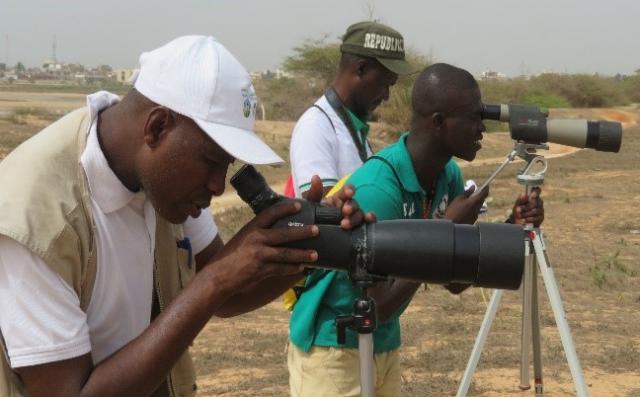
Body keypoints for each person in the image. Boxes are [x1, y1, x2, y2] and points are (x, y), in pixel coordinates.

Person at [0, 36, 371, 397]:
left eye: (226, 166)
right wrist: (212, 282)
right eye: (211, 162)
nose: (216, 185)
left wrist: (310, 246)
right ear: (157, 127)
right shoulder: (35, 218)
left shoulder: (162, 182)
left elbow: (228, 297)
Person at [287, 63, 545, 397]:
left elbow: (453, 281)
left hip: (382, 342)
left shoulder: (447, 176)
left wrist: (513, 226)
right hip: (332, 347)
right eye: (473, 117)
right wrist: (444, 229)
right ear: (439, 123)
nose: (481, 127)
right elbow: (376, 305)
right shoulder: (380, 189)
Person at [288, 20, 417, 199]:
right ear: (361, 68)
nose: (386, 96)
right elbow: (324, 213)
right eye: (384, 84)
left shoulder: (353, 127)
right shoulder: (316, 126)